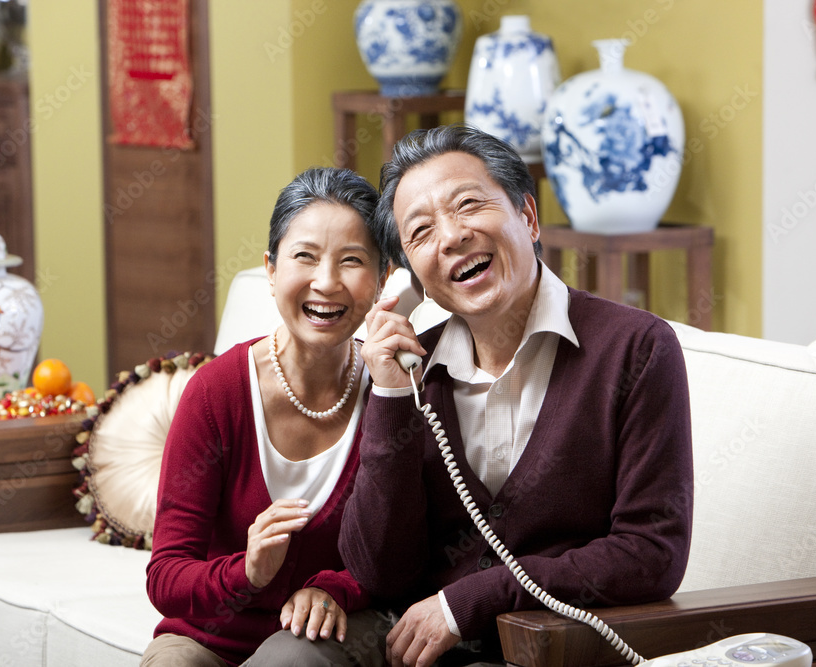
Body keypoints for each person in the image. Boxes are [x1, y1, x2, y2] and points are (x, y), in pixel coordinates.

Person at [339, 125, 694, 667]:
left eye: (468, 205)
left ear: (528, 218)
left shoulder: (637, 349)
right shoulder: (413, 373)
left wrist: (474, 598)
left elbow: (651, 553)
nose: (452, 237)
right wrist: (388, 395)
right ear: (414, 277)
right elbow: (380, 572)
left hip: (552, 648)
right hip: (419, 650)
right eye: (421, 232)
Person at [143, 167, 393, 667]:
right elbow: (166, 575)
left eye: (352, 261)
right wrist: (248, 572)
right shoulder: (216, 393)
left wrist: (335, 588)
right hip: (208, 635)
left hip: (327, 631)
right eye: (304, 256)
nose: (326, 282)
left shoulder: (392, 390)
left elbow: (406, 553)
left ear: (384, 278)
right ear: (272, 269)